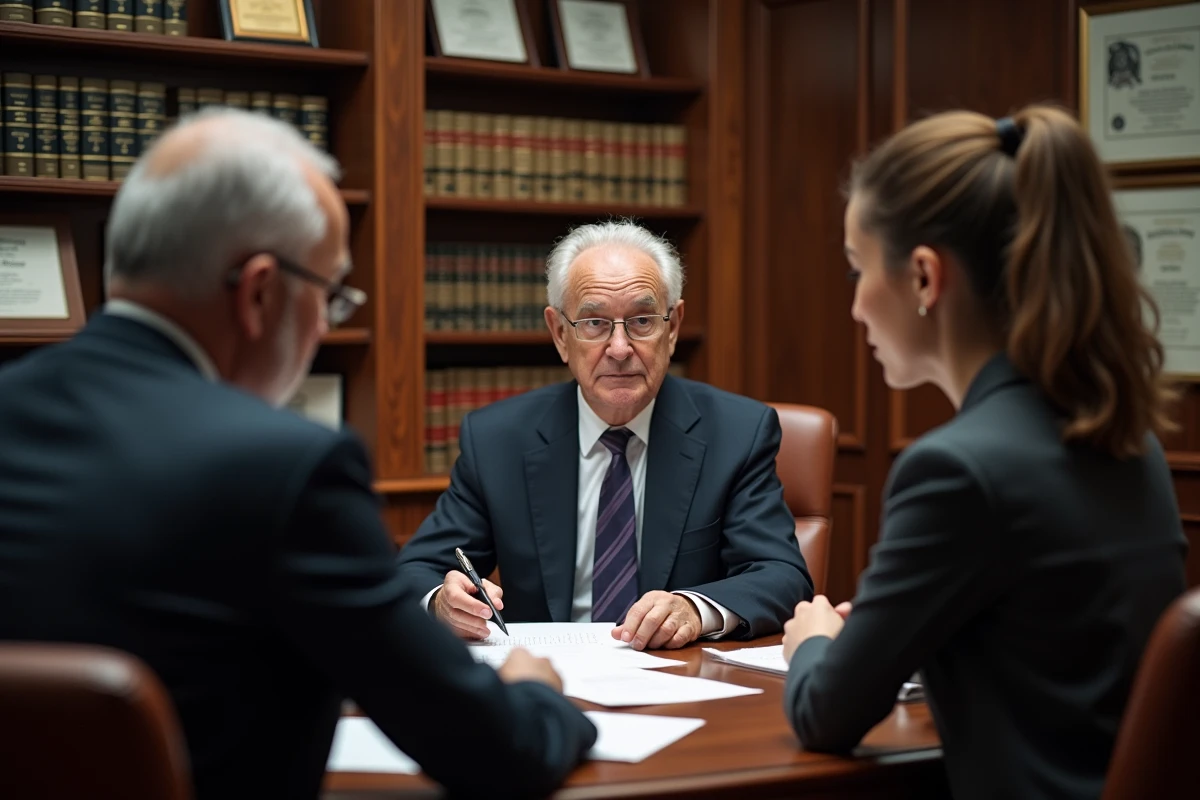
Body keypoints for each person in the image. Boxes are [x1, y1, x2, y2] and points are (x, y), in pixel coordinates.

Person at [0, 109, 595, 800]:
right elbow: (498, 751)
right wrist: (535, 693)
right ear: (258, 292)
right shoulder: (284, 469)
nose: (323, 324)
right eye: (329, 296)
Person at [781, 105, 1188, 800]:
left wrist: (813, 641)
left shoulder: (957, 470)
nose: (853, 308)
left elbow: (825, 715)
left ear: (922, 278)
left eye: (857, 270)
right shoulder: (1127, 437)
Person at [396, 221, 811, 650]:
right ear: (560, 334)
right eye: (594, 322)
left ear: (672, 329)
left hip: (681, 681)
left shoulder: (737, 433)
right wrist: (442, 603)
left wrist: (694, 609)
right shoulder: (498, 440)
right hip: (547, 684)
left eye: (642, 320)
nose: (619, 348)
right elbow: (416, 571)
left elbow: (781, 575)